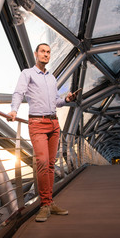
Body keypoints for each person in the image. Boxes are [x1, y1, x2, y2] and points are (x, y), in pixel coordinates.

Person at [8, 43, 78, 222]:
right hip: (37, 123)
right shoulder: (27, 73)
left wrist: (67, 99)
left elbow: (56, 101)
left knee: (51, 165)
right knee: (42, 162)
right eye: (43, 52)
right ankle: (45, 205)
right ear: (36, 54)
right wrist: (14, 110)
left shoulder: (52, 78)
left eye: (48, 52)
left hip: (54, 124)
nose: (46, 55)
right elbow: (19, 92)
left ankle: (50, 202)